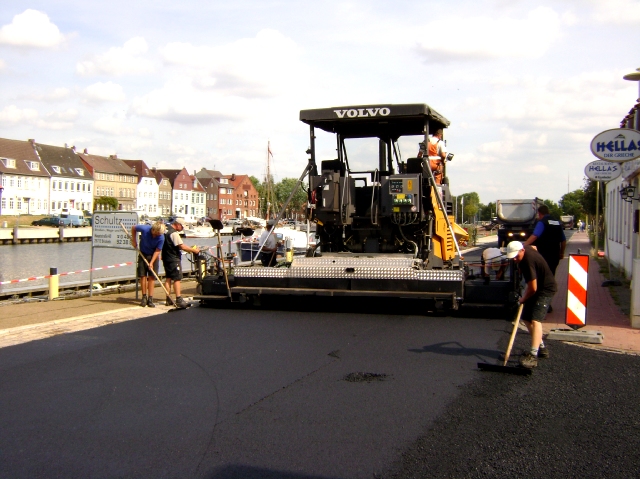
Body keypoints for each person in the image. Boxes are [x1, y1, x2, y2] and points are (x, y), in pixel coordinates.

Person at [505, 241, 557, 369]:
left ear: (522, 250)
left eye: (516, 256)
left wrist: (523, 299)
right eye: (512, 257)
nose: (515, 259)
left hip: (545, 289)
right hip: (537, 288)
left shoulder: (527, 262)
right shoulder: (526, 248)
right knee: (526, 318)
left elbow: (533, 288)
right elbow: (534, 247)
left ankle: (533, 356)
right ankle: (541, 348)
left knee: (535, 320)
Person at [162, 218, 200, 308]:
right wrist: (194, 250)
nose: (182, 228)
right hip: (174, 258)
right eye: (182, 226)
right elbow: (182, 246)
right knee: (177, 278)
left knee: (168, 278)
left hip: (165, 257)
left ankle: (168, 298)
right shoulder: (174, 234)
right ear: (178, 224)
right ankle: (178, 298)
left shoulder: (165, 230)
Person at [523, 205, 566, 276]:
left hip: (544, 254)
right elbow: (563, 240)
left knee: (542, 275)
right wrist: (561, 253)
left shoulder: (542, 222)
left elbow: (535, 236)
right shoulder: (557, 222)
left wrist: (524, 245)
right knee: (551, 274)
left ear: (539, 213)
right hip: (555, 255)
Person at [131, 221, 166, 308]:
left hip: (154, 255)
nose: (157, 235)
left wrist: (151, 262)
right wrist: (134, 240)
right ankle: (144, 297)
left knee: (152, 277)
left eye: (159, 234)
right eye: (156, 233)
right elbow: (133, 228)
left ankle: (150, 298)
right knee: (143, 276)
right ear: (153, 230)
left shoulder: (161, 237)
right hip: (143, 254)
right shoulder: (145, 229)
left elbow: (158, 250)